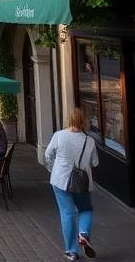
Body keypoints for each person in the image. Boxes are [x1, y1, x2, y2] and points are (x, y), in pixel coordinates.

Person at [45, 108, 100, 261]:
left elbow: (48, 154)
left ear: (69, 120)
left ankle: (71, 252)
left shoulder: (59, 135)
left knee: (67, 213)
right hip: (82, 183)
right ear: (84, 121)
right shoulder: (89, 141)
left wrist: (52, 169)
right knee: (86, 209)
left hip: (60, 180)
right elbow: (95, 163)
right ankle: (83, 234)